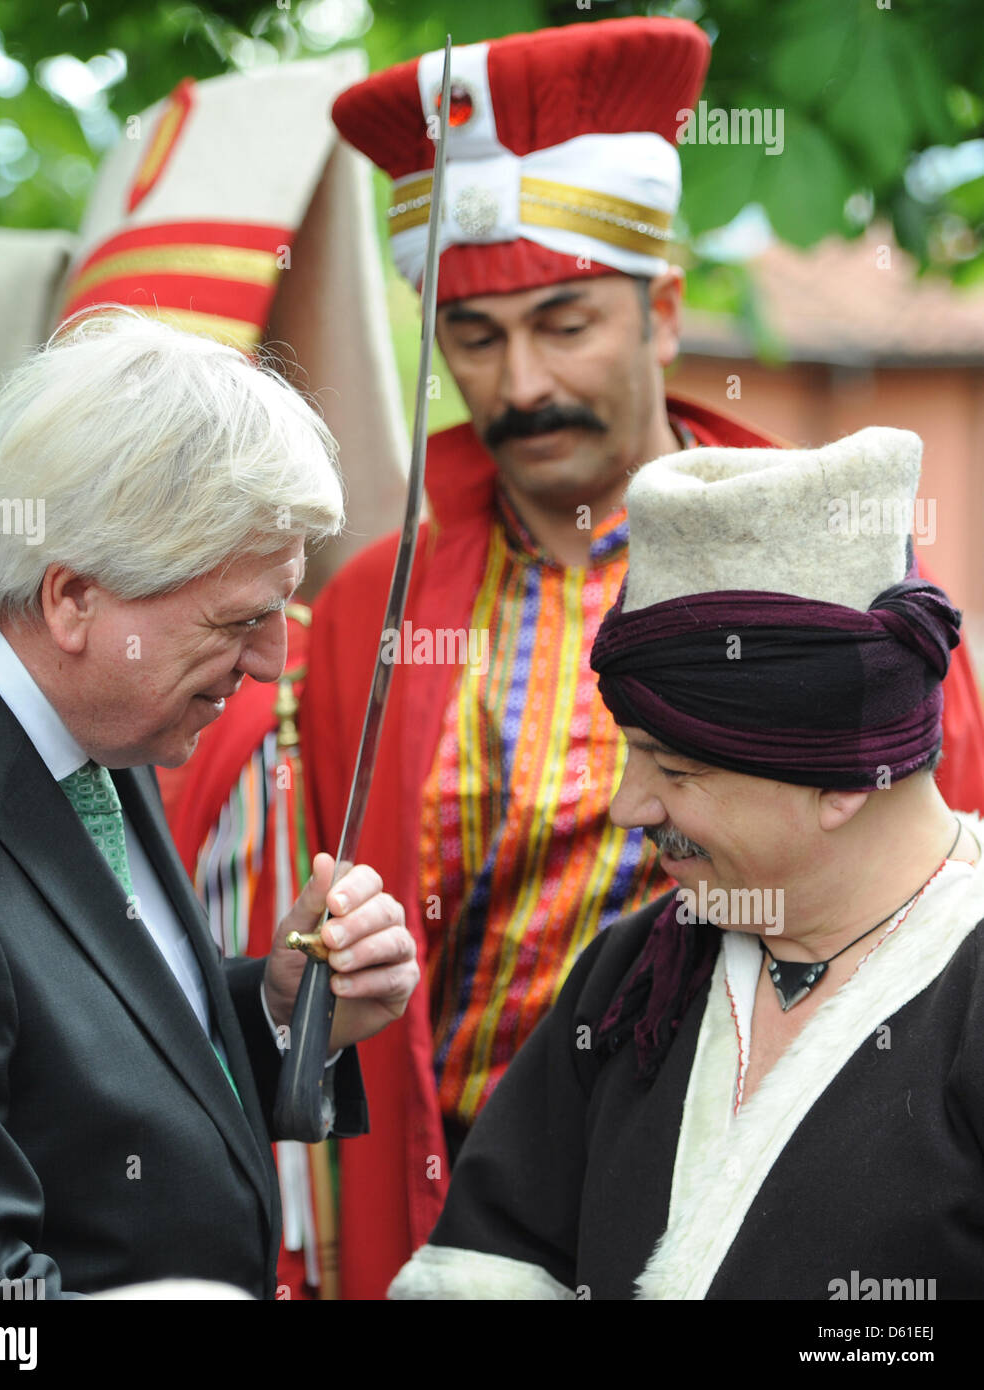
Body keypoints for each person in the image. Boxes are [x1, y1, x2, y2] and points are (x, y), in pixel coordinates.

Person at [166, 17, 984, 1297]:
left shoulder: (836, 585)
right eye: (478, 336)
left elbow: (922, 908)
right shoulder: (378, 609)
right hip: (463, 1205)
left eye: (565, 322)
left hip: (780, 1180)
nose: (522, 379)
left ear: (662, 310)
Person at [0, 309, 418, 1300]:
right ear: (72, 599)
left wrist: (271, 1014)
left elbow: (80, 1047)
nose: (272, 664)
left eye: (283, 612)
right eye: (241, 622)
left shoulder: (75, 696)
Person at [390, 425, 984, 1299]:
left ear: (842, 770)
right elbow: (499, 1258)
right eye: (631, 756)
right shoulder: (636, 973)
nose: (631, 806)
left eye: (676, 767)